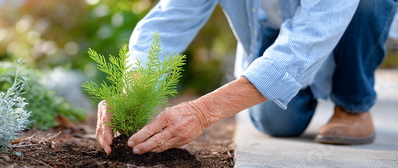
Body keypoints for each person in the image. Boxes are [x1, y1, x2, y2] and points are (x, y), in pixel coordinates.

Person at [96, 0, 398, 155]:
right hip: (272, 32)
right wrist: (133, 89)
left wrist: (202, 112)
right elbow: (167, 22)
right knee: (277, 123)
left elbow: (312, 36)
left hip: (333, 26)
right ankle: (296, 87)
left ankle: (353, 103)